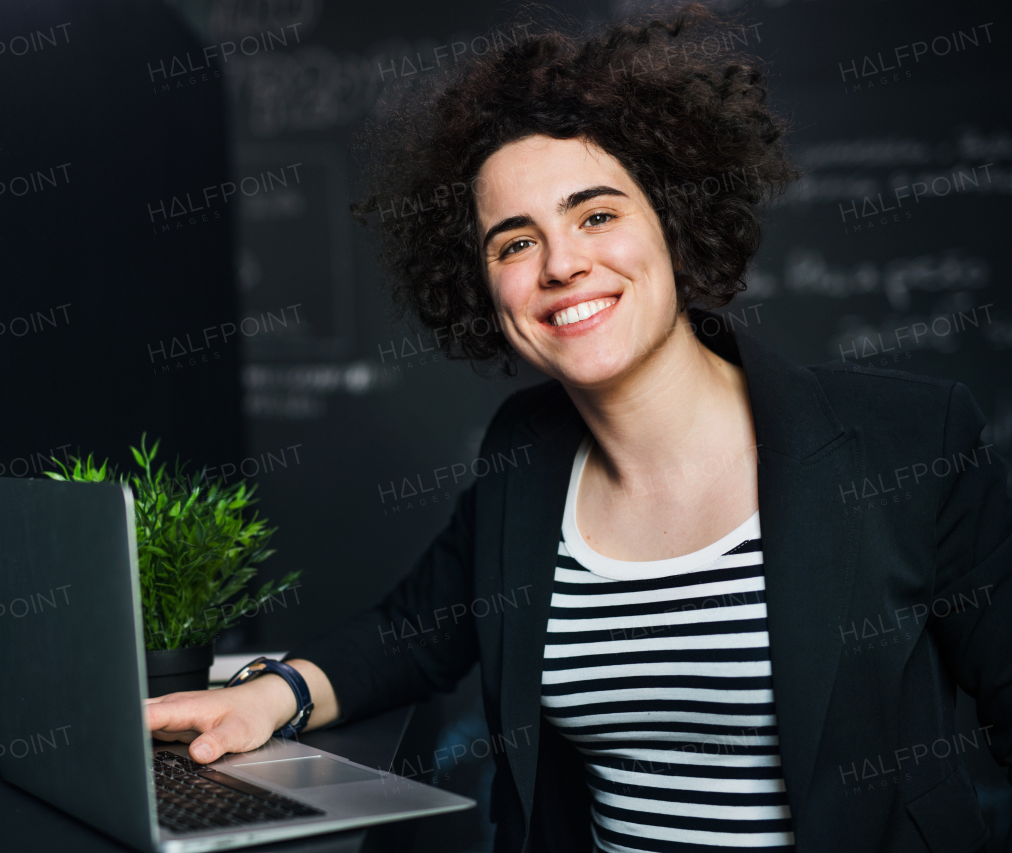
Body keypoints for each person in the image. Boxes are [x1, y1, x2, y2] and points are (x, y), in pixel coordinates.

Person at [144, 6, 1012, 852]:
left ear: (672, 222)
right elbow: (417, 630)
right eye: (514, 243)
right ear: (482, 286)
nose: (562, 264)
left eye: (597, 214)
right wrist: (271, 694)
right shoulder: (525, 453)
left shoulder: (908, 439)